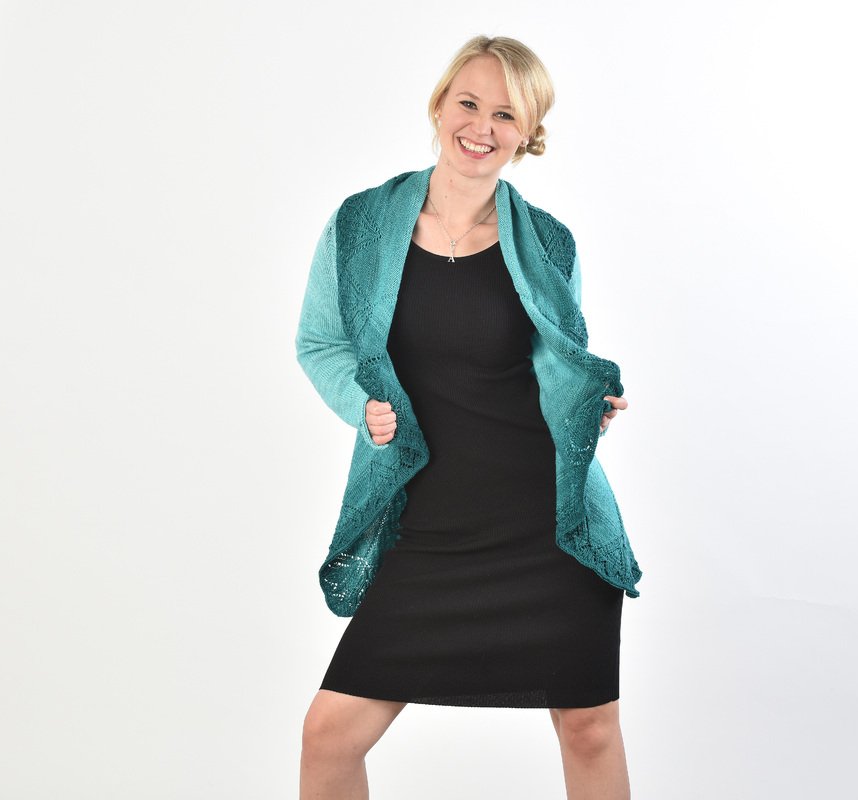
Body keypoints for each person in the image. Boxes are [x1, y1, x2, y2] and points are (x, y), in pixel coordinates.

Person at [294, 35, 643, 799]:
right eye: (469, 103)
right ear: (440, 105)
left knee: (587, 727)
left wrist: (589, 408)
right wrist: (362, 404)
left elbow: (559, 366)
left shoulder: (548, 243)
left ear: (528, 133)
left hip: (545, 526)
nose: (481, 126)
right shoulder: (359, 225)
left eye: (505, 114)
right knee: (329, 734)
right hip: (425, 523)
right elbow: (319, 342)